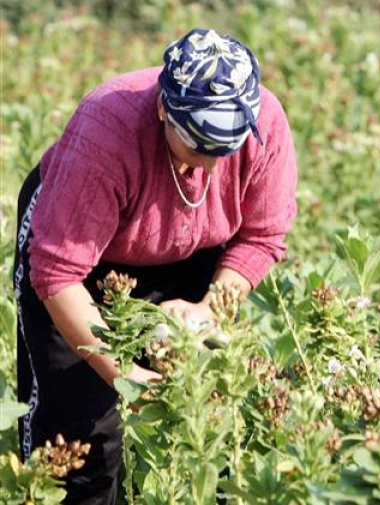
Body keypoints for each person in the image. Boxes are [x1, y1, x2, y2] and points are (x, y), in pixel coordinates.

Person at [14, 29, 298, 503]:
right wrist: (127, 374)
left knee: (210, 426)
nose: (208, 166)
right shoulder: (107, 132)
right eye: (196, 147)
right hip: (85, 255)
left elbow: (261, 237)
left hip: (197, 245)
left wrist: (208, 309)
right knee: (81, 442)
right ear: (165, 110)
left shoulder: (265, 124)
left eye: (221, 150)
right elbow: (58, 273)